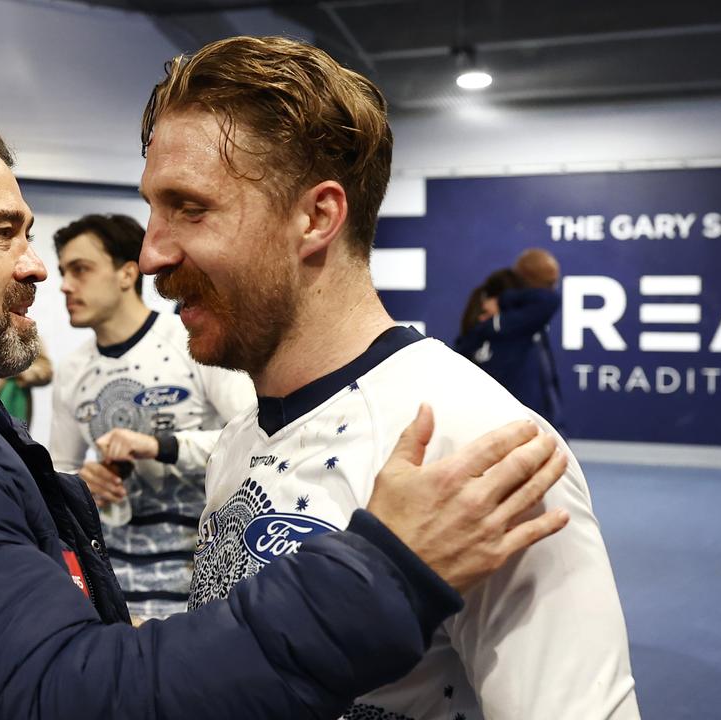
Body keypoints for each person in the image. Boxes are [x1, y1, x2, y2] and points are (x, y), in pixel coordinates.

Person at [0, 112, 569, 719]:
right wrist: (384, 576)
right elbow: (60, 699)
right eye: (4, 234)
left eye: (190, 208)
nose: (37, 267)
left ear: (319, 217)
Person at [137, 36, 638, 719]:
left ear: (316, 217)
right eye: (152, 208)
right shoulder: (239, 439)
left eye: (189, 208)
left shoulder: (480, 446)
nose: (150, 253)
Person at [49, 213, 254, 619]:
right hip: (112, 587)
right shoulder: (72, 369)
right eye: (63, 272)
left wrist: (159, 446)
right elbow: (57, 471)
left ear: (127, 275)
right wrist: (80, 481)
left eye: (81, 270)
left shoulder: (192, 342)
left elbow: (255, 437)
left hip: (203, 580)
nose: (65, 285)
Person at [459, 249, 565, 428]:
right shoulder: (514, 328)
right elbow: (550, 300)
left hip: (519, 425)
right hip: (514, 426)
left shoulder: (522, 326)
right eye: (548, 283)